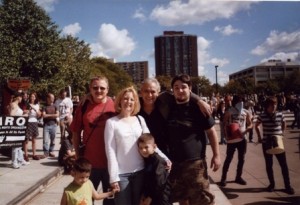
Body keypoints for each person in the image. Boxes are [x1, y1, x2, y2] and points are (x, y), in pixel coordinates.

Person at [104, 86, 169, 205]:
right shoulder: (111, 123)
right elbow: (110, 151)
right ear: (119, 101)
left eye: (132, 99)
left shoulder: (140, 119)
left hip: (140, 172)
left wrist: (165, 158)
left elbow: (150, 143)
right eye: (125, 99)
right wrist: (113, 177)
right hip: (121, 175)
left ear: (135, 102)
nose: (128, 102)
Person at [165, 74, 221, 205]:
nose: (180, 90)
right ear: (172, 89)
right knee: (182, 198)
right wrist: (198, 98)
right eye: (176, 87)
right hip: (176, 164)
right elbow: (159, 94)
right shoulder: (169, 105)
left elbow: (212, 132)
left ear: (190, 88)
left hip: (195, 165)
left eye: (183, 87)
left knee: (202, 200)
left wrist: (217, 155)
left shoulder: (199, 108)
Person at [138, 78, 212, 156]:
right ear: (141, 92)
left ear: (158, 92)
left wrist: (199, 100)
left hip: (164, 157)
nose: (149, 95)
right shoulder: (135, 107)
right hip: (140, 157)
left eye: (153, 92)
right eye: (146, 91)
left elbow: (182, 94)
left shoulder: (165, 104)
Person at [70, 76, 115, 205]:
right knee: (86, 199)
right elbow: (76, 132)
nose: (98, 90)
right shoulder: (84, 106)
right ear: (90, 89)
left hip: (111, 164)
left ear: (107, 89)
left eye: (102, 88)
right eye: (95, 88)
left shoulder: (115, 105)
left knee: (111, 200)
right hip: (89, 165)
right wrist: (78, 157)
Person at [255, 96, 295, 195]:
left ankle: (287, 186)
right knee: (269, 165)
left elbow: (284, 123)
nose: (274, 106)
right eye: (272, 104)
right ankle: (272, 184)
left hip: (278, 142)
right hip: (267, 143)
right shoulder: (262, 115)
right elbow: (256, 125)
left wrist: (282, 133)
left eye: (275, 104)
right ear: (267, 105)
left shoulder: (280, 114)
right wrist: (259, 137)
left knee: (284, 165)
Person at [220, 95, 252, 187]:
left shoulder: (246, 112)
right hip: (232, 139)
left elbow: (250, 124)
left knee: (241, 159)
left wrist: (245, 131)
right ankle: (223, 178)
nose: (241, 103)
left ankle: (238, 177)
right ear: (235, 102)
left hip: (242, 139)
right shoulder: (229, 111)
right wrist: (225, 135)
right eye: (239, 101)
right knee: (229, 158)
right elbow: (223, 123)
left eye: (242, 101)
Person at [137, 133, 171, 205]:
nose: (143, 150)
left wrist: (150, 198)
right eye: (140, 148)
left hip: (161, 198)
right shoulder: (147, 160)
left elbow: (160, 183)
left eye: (146, 147)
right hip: (152, 197)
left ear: (154, 146)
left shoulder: (158, 161)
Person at [8, 92, 30, 169]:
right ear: (18, 97)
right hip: (15, 128)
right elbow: (12, 115)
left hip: (19, 128)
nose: (22, 99)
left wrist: (23, 113)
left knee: (19, 146)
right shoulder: (13, 104)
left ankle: (21, 160)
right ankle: (14, 162)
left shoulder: (16, 105)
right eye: (21, 97)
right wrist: (23, 116)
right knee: (15, 145)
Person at [24, 92, 42, 161]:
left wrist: (38, 113)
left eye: (34, 96)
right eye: (31, 96)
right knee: (27, 139)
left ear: (35, 98)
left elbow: (39, 115)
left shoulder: (37, 105)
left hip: (35, 122)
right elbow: (23, 111)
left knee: (34, 140)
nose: (32, 98)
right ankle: (26, 155)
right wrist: (28, 111)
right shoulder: (27, 104)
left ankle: (34, 154)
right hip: (28, 122)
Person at [42, 93, 59, 157]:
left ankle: (51, 151)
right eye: (51, 98)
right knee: (45, 140)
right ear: (48, 98)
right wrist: (53, 116)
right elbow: (43, 115)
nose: (53, 99)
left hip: (54, 125)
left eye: (53, 98)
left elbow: (57, 115)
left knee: (53, 140)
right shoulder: (44, 106)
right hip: (46, 125)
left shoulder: (55, 106)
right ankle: (46, 152)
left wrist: (48, 115)